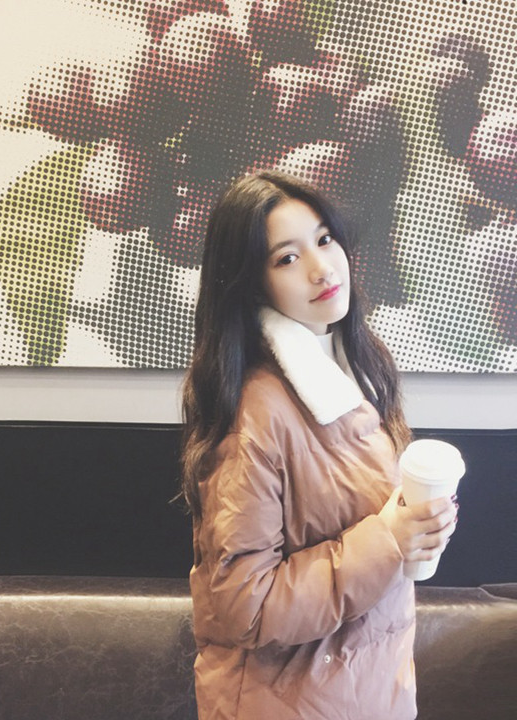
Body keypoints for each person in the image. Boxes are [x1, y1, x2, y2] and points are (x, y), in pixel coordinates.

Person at [181, 170, 458, 720]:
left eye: (325, 239)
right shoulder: (256, 415)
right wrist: (388, 539)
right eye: (287, 258)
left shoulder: (354, 369)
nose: (322, 267)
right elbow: (244, 606)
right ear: (252, 284)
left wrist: (417, 529)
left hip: (369, 690)